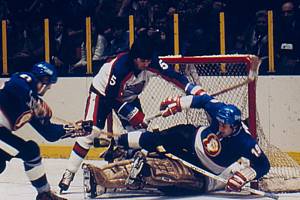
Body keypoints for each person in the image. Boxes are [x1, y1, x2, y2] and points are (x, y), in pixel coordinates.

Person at [58, 35, 204, 193]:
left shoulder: (151, 61)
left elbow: (173, 76)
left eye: (149, 61)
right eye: (143, 61)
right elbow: (111, 98)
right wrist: (131, 113)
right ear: (134, 58)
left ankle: (123, 158)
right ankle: (69, 173)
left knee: (139, 136)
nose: (147, 64)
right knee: (90, 133)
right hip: (102, 95)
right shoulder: (120, 67)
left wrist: (194, 90)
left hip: (129, 97)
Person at [82, 89, 270, 196]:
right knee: (158, 138)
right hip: (190, 137)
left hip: (200, 167)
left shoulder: (246, 142)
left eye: (225, 126)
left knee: (171, 183)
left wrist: (246, 175)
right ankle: (118, 141)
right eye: (219, 123)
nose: (220, 128)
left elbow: (263, 164)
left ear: (235, 126)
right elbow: (203, 100)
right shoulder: (220, 110)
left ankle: (126, 174)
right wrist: (180, 103)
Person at [0, 62, 92, 200]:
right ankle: (44, 195)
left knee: (7, 161)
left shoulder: (35, 106)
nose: (48, 88)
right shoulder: (26, 79)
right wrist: (34, 102)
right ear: (44, 79)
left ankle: (45, 194)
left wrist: (74, 130)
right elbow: (14, 86)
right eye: (49, 84)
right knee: (29, 151)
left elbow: (50, 133)